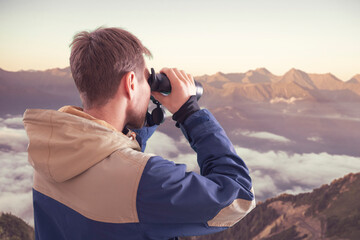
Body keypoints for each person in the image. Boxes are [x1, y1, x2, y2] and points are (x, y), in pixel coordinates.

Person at [23, 27, 255, 240]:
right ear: (131, 82)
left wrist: (143, 115)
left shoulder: (49, 151)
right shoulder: (146, 182)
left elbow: (112, 164)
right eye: (147, 79)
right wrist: (189, 113)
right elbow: (239, 197)